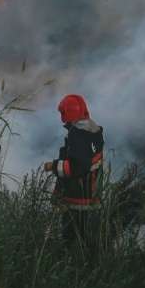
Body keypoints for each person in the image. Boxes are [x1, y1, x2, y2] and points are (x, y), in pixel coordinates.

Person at [43, 94, 105, 253]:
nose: (61, 118)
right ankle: (87, 264)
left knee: (71, 239)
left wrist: (53, 166)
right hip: (90, 194)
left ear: (68, 113)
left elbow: (77, 168)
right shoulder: (92, 129)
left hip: (77, 199)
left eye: (62, 113)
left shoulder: (78, 135)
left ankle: (71, 266)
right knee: (86, 237)